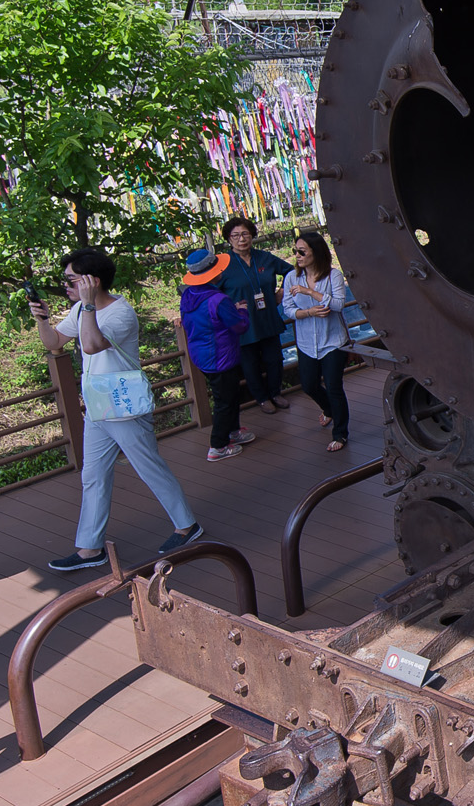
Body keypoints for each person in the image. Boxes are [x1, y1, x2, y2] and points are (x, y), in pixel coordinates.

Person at [32, 248, 202, 571]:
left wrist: (86, 305)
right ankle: (89, 548)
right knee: (93, 475)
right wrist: (41, 318)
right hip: (98, 405)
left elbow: (93, 344)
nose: (65, 286)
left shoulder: (120, 313)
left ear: (91, 281)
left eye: (71, 280)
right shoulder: (81, 310)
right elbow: (53, 341)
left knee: (148, 465)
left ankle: (187, 524)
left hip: (123, 405)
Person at [179, 248, 255, 462]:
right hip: (221, 356)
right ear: (214, 272)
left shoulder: (188, 295)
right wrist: (241, 310)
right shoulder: (218, 300)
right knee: (225, 401)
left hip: (202, 355)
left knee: (227, 396)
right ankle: (218, 445)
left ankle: (233, 432)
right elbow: (239, 326)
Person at [281, 230, 353, 452]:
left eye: (302, 251)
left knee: (334, 386)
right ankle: (329, 410)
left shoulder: (334, 276)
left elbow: (339, 304)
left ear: (316, 252)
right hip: (305, 342)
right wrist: (309, 312)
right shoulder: (291, 277)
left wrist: (310, 292)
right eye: (295, 251)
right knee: (309, 384)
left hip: (333, 341)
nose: (297, 256)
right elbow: (288, 309)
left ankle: (340, 434)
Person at [217, 218, 293, 415]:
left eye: (245, 234)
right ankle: (261, 398)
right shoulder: (223, 265)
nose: (241, 239)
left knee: (274, 359)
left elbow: (291, 271)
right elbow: (212, 294)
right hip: (242, 323)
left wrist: (281, 293)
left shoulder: (265, 258)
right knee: (250, 364)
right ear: (229, 239)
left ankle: (276, 393)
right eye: (235, 235)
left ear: (252, 235)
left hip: (267, 317)